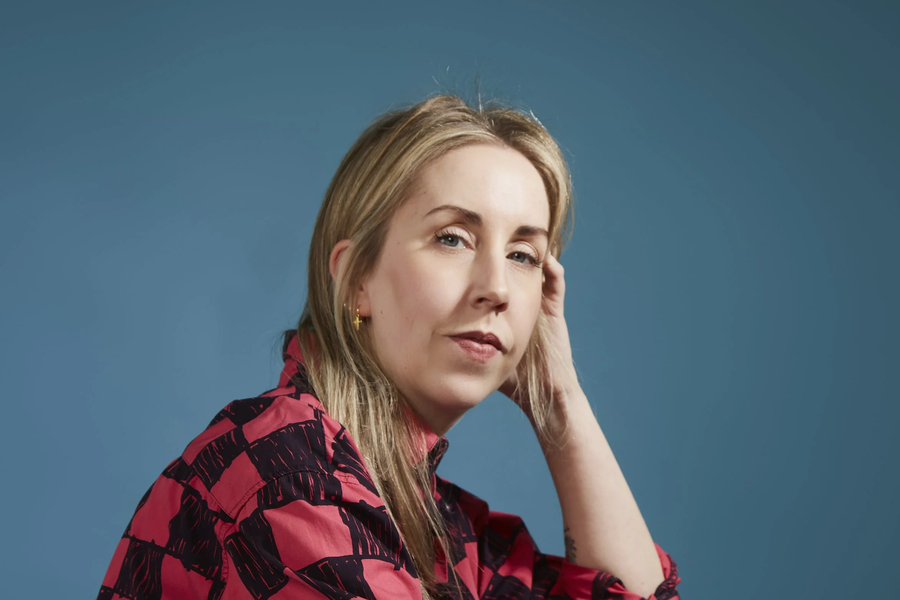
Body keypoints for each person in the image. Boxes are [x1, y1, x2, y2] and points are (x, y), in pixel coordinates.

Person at [98, 93, 681, 600]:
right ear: (357, 279)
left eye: (522, 255)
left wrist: (559, 399)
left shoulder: (439, 527)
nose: (497, 289)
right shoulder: (289, 475)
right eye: (453, 238)